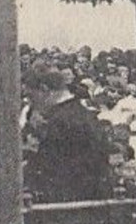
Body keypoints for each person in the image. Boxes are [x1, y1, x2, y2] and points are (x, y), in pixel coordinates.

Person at [25, 63, 115, 202]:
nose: (31, 103)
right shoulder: (84, 114)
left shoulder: (58, 122)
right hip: (94, 199)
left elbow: (51, 170)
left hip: (68, 206)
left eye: (31, 96)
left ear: (44, 90)